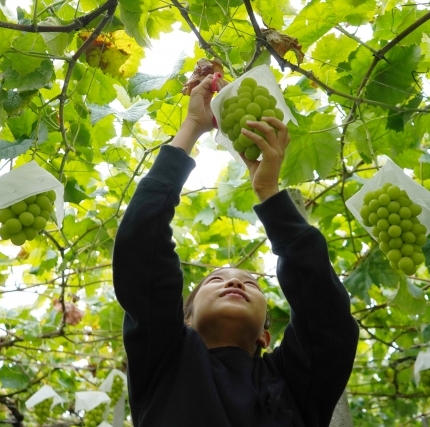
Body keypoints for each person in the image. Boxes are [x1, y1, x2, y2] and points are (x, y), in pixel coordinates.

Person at [112, 73, 359, 427]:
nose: (236, 283)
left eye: (251, 283)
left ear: (265, 336)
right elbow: (140, 246)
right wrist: (193, 126)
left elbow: (327, 314)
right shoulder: (164, 358)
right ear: (185, 319)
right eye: (215, 280)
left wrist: (270, 192)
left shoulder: (295, 382)